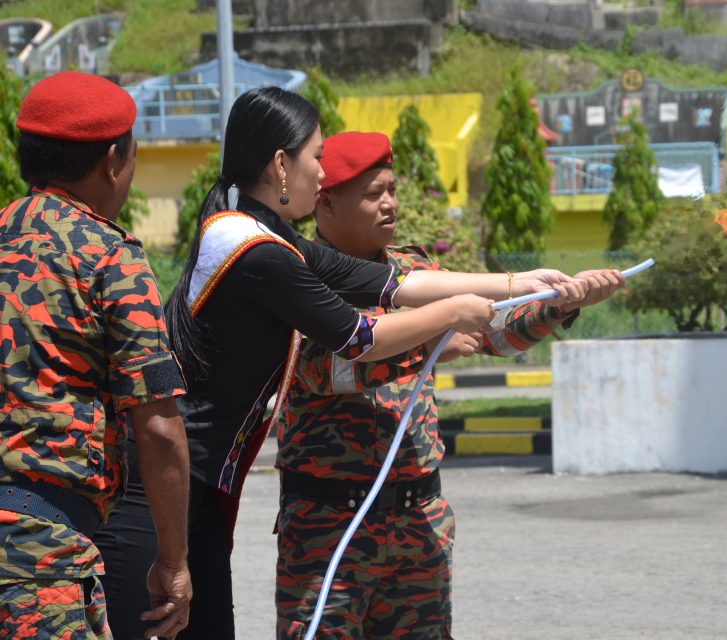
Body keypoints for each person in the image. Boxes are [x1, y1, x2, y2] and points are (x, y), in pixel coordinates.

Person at [95, 87, 586, 640]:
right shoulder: (254, 250)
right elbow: (357, 337)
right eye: (317, 157)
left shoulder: (268, 235)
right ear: (282, 164)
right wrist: (452, 313)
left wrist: (520, 282)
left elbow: (390, 283)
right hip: (159, 492)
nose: (322, 173)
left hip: (200, 489)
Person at [274, 131, 625, 639]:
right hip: (328, 525)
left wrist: (561, 303)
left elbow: (496, 333)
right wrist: (440, 330)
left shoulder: (416, 272)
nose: (390, 203)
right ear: (325, 203)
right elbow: (333, 369)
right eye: (374, 193)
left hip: (417, 522)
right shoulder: (297, 276)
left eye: (392, 189)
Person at [0, 71, 192, 639]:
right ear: (114, 159)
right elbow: (157, 427)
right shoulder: (109, 258)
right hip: (41, 558)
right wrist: (175, 561)